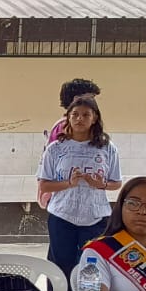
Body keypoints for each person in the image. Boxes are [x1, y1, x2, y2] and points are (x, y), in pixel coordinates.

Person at [37, 95, 121, 291]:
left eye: (85, 115)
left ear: (95, 118)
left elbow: (117, 183)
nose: (79, 119)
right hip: (62, 216)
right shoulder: (56, 148)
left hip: (96, 217)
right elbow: (44, 185)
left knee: (90, 266)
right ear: (68, 117)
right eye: (75, 114)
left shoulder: (107, 148)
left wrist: (101, 184)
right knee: (60, 266)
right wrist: (69, 183)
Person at [37, 78, 101, 209]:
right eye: (90, 98)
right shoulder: (66, 127)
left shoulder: (68, 125)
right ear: (76, 100)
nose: (94, 104)